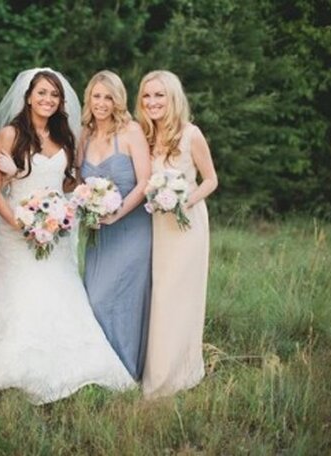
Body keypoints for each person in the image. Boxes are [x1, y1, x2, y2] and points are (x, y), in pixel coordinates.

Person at [0, 68, 135, 404]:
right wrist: (19, 222)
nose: (48, 100)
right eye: (41, 93)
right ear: (28, 96)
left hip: (55, 231)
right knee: (21, 295)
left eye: (54, 95)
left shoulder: (64, 137)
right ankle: (11, 370)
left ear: (61, 102)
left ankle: (67, 366)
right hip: (18, 232)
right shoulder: (11, 134)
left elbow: (66, 183)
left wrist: (86, 200)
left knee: (59, 293)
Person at [136, 70, 218, 398]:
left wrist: (184, 201)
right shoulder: (142, 134)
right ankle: (159, 369)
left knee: (176, 297)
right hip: (155, 224)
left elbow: (211, 179)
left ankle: (169, 380)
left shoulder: (190, 134)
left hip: (185, 224)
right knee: (157, 297)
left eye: (160, 96)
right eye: (146, 96)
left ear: (173, 99)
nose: (153, 102)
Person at [78, 70, 152, 381]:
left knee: (119, 298)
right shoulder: (84, 134)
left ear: (118, 100)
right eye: (96, 96)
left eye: (109, 97)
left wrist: (117, 212)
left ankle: (124, 372)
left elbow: (145, 181)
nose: (102, 103)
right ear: (89, 99)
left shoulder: (131, 131)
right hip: (99, 232)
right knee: (93, 299)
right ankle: (100, 372)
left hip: (132, 227)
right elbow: (75, 179)